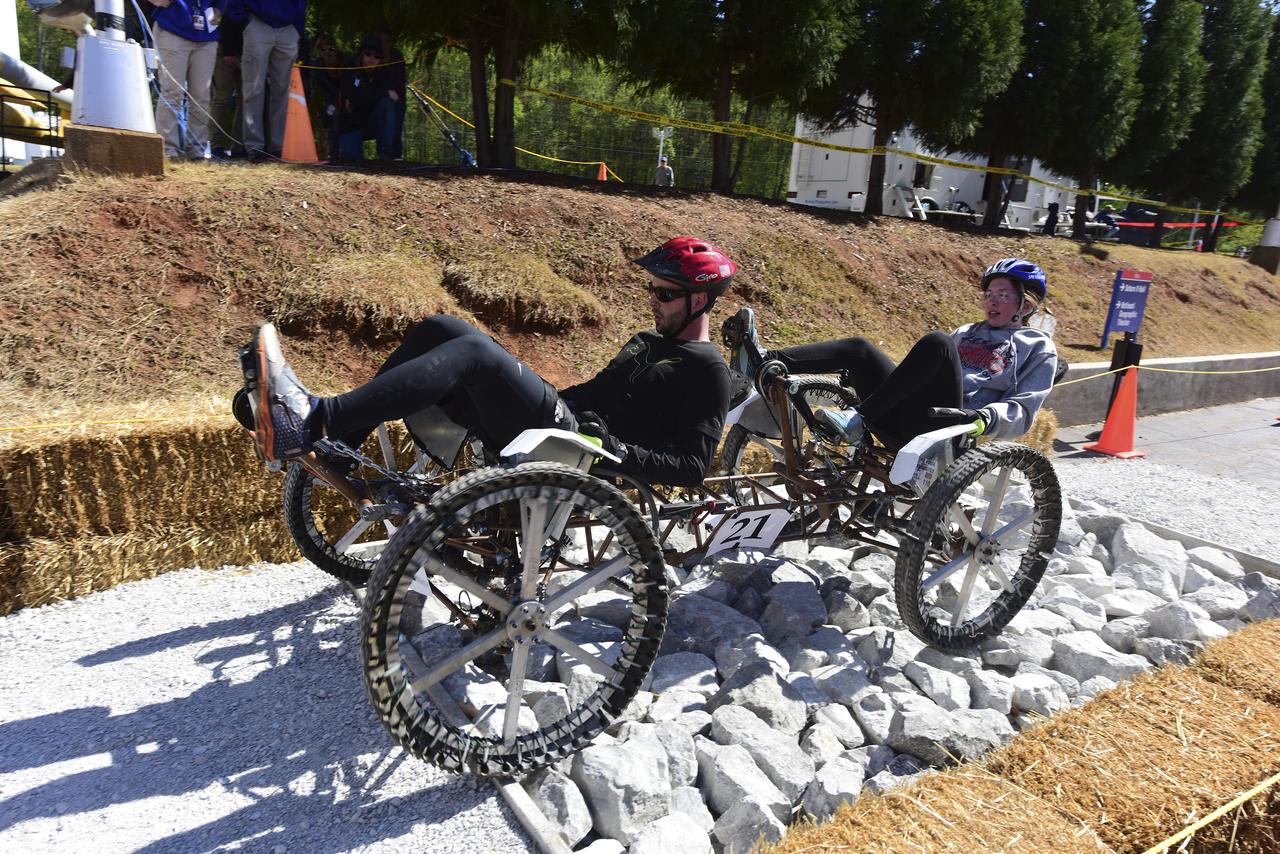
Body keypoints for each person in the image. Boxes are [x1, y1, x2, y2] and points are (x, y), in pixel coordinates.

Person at [241, 236, 735, 487]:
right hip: (561, 421)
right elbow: (598, 392)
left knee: (475, 353)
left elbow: (693, 467)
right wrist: (539, 390)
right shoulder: (649, 340)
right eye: (652, 288)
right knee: (443, 328)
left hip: (582, 451)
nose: (653, 299)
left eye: (666, 293)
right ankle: (338, 444)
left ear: (701, 300)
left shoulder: (706, 369)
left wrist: (617, 449)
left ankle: (315, 419)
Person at [724, 258, 1058, 450]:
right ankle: (763, 360)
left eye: (1002, 295)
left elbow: (1023, 409)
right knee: (861, 349)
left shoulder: (1038, 347)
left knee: (938, 343)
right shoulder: (967, 332)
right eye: (988, 294)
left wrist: (986, 418)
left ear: (1026, 304)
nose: (991, 302)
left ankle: (859, 420)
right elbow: (919, 376)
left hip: (948, 432)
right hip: (899, 418)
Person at [148, 0, 226, 161]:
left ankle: (197, 149)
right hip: (172, 30)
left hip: (206, 36)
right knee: (172, 92)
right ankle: (167, 149)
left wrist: (219, 9)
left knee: (201, 96)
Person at [229, 0, 306, 159]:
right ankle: (254, 146)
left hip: (289, 28)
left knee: (283, 91)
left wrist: (297, 27)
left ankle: (279, 146)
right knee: (253, 89)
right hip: (257, 24)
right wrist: (244, 20)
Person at [336, 35, 397, 161]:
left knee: (387, 104)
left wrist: (377, 96)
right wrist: (383, 93)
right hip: (351, 124)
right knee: (351, 160)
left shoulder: (383, 74)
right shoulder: (349, 69)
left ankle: (385, 150)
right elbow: (356, 99)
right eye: (368, 54)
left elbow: (382, 99)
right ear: (361, 54)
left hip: (371, 121)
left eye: (377, 57)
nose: (372, 59)